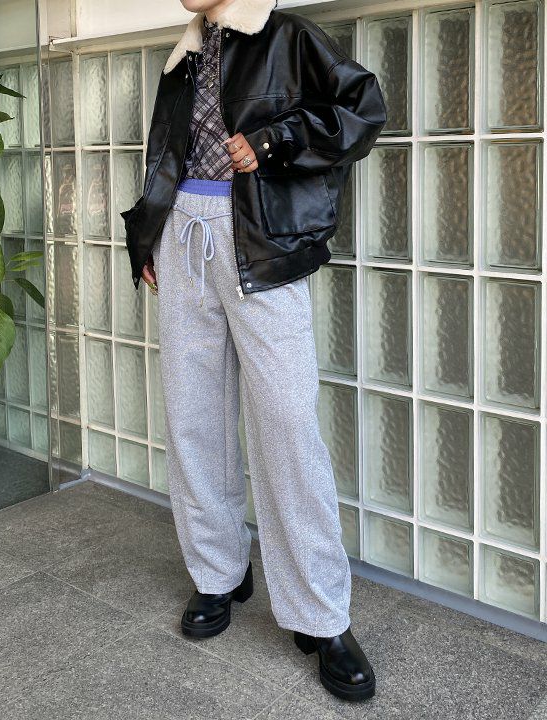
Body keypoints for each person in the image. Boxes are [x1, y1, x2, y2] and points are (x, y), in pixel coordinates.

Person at [121, 0, 386, 702]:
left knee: (287, 427)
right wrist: (147, 237)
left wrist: (272, 142)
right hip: (183, 238)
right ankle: (218, 573)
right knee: (193, 418)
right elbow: (166, 155)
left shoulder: (285, 35)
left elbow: (363, 109)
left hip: (260, 241)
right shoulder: (185, 54)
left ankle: (321, 616)